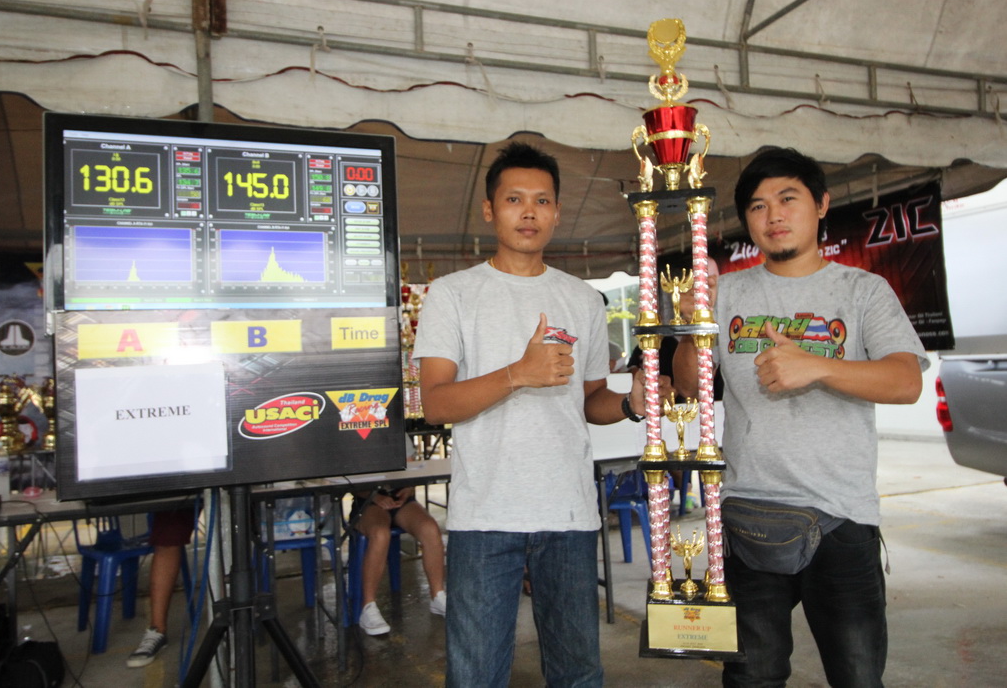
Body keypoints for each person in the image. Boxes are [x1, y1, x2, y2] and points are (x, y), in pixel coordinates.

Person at [673, 147, 926, 687]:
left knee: (857, 677)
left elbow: (906, 381)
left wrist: (816, 366)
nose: (774, 216)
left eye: (788, 199)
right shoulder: (726, 293)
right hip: (748, 516)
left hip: (841, 517)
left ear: (822, 204)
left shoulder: (862, 290)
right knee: (752, 678)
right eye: (758, 206)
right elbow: (689, 387)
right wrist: (693, 327)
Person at [413, 141, 645, 687]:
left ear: (557, 213)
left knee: (577, 673)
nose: (529, 212)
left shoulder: (582, 299)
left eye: (542, 201)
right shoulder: (452, 295)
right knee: (476, 675)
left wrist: (630, 404)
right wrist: (518, 373)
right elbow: (436, 403)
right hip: (484, 515)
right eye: (514, 199)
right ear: (489, 209)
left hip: (568, 513)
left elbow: (590, 401)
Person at [350, 475, 447, 635]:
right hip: (367, 502)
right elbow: (347, 481)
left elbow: (415, 469)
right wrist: (375, 497)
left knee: (430, 529)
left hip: (402, 501)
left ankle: (437, 595)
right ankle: (368, 606)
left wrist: (409, 488)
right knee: (380, 534)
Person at [126, 507, 196, 668]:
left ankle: (236, 622)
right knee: (167, 539)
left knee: (236, 530)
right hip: (182, 493)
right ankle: (157, 630)